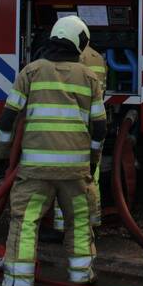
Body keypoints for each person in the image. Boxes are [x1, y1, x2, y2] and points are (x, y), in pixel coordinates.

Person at [0, 15, 106, 286]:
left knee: (25, 222)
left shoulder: (30, 72)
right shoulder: (89, 77)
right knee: (79, 222)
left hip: (35, 172)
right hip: (75, 173)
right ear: (79, 43)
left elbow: (8, 119)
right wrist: (92, 161)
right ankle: (82, 278)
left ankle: (18, 283)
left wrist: (0, 156)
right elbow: (100, 127)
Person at [54, 44, 107, 230]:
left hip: (69, 126)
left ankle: (64, 226)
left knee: (64, 178)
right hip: (90, 125)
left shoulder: (65, 60)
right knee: (91, 177)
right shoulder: (97, 57)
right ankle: (91, 222)